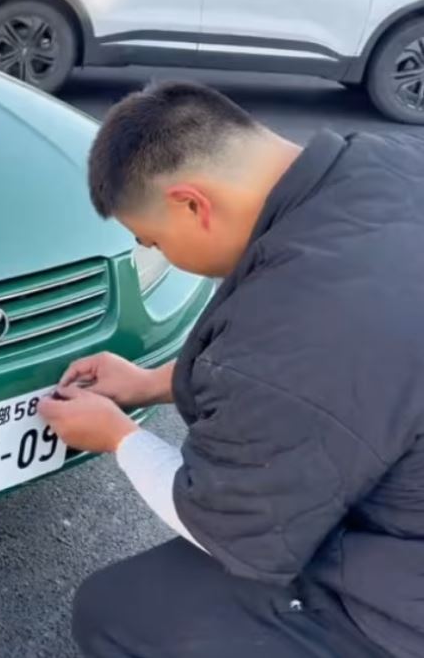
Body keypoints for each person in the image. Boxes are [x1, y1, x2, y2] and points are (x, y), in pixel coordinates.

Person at [37, 81, 424, 658]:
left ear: (193, 205)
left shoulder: (301, 318)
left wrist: (118, 437)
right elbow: (332, 378)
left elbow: (227, 524)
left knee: (121, 611)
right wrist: (150, 382)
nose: (159, 253)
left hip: (404, 599)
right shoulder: (391, 162)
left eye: (153, 242)